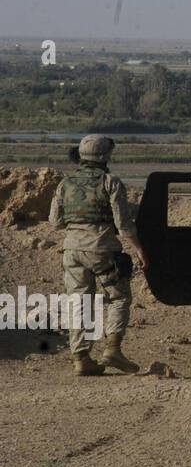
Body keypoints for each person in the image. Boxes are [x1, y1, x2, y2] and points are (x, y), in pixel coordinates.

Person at [49, 134, 148, 376]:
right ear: (106, 156)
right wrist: (139, 249)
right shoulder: (110, 182)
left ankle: (81, 358)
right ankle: (113, 349)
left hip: (72, 250)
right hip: (103, 249)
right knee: (119, 297)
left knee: (79, 301)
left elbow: (55, 222)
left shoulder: (66, 183)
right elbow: (123, 225)